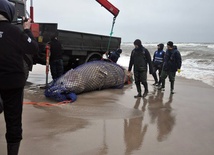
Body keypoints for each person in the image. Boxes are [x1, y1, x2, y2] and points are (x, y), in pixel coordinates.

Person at [0, 0, 38, 154]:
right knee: (13, 122)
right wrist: (27, 30)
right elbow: (33, 48)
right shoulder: (16, 32)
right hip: (13, 84)